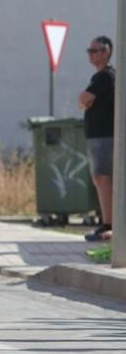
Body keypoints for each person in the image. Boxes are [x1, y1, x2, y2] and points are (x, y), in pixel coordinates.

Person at [80, 36, 116, 241]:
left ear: (106, 52)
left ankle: (109, 224)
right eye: (89, 51)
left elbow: (83, 98)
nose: (91, 55)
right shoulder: (100, 77)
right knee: (100, 179)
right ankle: (107, 223)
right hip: (98, 136)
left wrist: (86, 101)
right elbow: (84, 100)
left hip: (105, 136)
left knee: (102, 178)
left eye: (94, 51)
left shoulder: (105, 76)